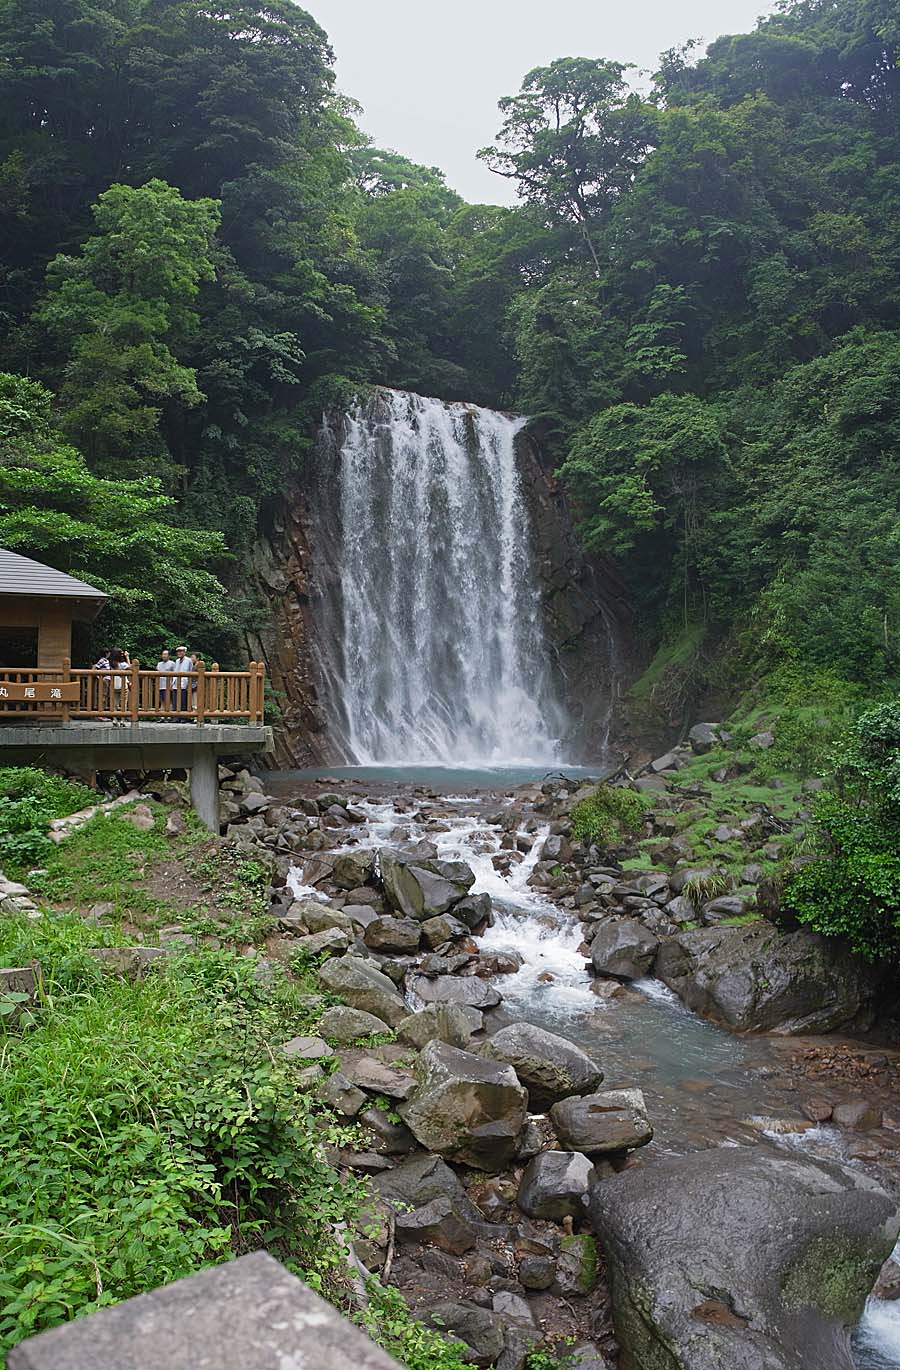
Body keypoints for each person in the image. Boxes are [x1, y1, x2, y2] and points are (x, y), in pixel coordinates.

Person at [109, 648, 130, 725]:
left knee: (115, 703)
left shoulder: (111, 664)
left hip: (114, 684)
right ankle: (122, 720)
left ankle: (114, 719)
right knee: (123, 703)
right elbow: (131, 668)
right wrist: (127, 657)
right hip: (123, 685)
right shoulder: (122, 664)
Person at [173, 645, 193, 714]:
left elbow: (191, 671)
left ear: (184, 652)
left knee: (183, 701)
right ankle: (175, 717)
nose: (179, 653)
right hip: (175, 683)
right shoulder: (177, 661)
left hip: (184, 683)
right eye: (178, 651)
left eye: (181, 651)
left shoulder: (189, 660)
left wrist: (188, 683)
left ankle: (183, 717)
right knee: (175, 701)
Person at [156, 648, 175, 717]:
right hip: (160, 684)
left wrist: (172, 684)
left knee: (169, 700)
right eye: (163, 654)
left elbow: (175, 674)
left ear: (169, 656)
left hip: (168, 684)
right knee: (162, 700)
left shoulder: (172, 663)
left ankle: (169, 715)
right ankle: (162, 716)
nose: (164, 656)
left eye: (165, 654)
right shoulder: (159, 664)